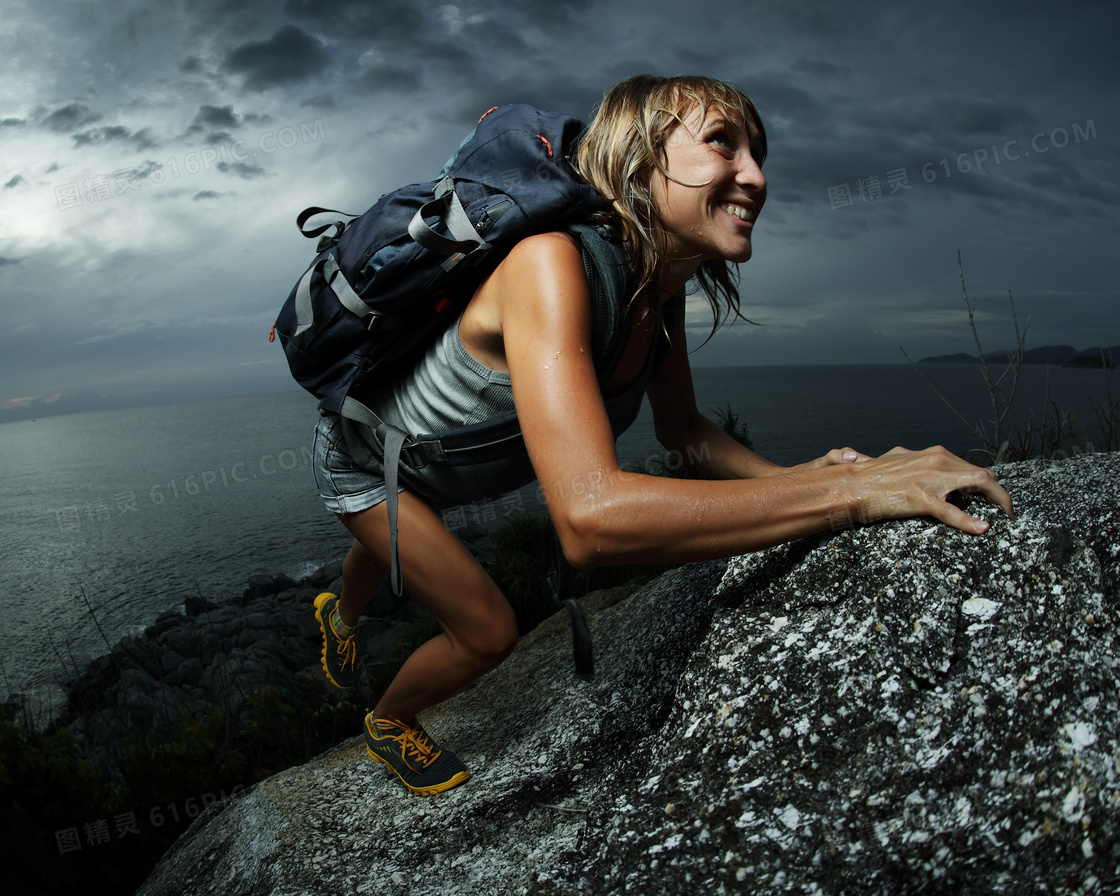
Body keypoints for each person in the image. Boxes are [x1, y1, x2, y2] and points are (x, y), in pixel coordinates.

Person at [309, 74, 1013, 796]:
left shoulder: (658, 296)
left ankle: (341, 606)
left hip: (435, 471)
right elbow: (590, 520)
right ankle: (389, 719)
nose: (758, 177)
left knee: (382, 549)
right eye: (721, 143)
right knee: (487, 632)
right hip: (367, 464)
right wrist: (851, 492)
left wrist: (797, 474)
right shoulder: (549, 265)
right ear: (641, 159)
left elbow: (684, 431)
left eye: (758, 153)